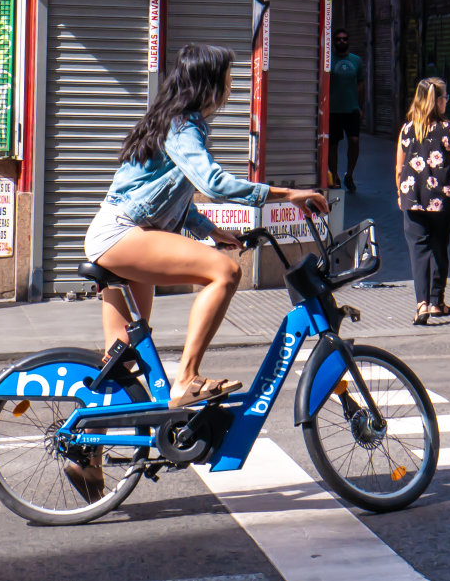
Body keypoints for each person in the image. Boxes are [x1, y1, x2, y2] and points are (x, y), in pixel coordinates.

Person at [72, 44, 327, 498]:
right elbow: (211, 182)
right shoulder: (182, 126)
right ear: (208, 83)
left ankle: (84, 454)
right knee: (224, 273)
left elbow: (173, 195)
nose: (232, 86)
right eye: (228, 78)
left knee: (123, 359)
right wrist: (288, 193)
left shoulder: (172, 122)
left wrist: (211, 229)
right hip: (123, 234)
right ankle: (187, 378)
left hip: (118, 232)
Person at [396, 76, 450, 326]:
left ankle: (421, 305)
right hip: (442, 201)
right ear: (438, 101)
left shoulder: (407, 129)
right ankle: (436, 302)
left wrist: (400, 193)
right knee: (439, 247)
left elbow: (399, 167)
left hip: (412, 199)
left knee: (418, 250)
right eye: (446, 98)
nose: (446, 102)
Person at [328, 28, 366, 192]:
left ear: (348, 41)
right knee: (333, 145)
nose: (341, 42)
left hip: (351, 109)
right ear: (334, 42)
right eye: (338, 39)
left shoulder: (356, 61)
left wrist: (360, 106)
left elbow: (360, 84)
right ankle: (334, 175)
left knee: (354, 141)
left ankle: (349, 175)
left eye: (344, 39)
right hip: (333, 110)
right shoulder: (328, 61)